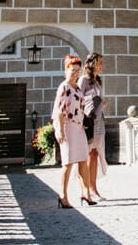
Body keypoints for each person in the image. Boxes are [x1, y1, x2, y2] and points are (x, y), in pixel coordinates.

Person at [52, 53, 96, 208]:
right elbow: (59, 111)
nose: (76, 73)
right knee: (68, 162)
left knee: (83, 160)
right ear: (66, 70)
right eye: (73, 70)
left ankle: (86, 194)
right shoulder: (64, 87)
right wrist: (61, 131)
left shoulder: (77, 87)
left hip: (78, 127)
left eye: (78, 70)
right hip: (68, 126)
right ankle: (63, 196)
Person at [79, 52, 108, 201]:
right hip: (87, 121)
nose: (102, 65)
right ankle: (86, 190)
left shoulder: (98, 81)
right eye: (100, 62)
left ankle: (94, 188)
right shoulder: (84, 80)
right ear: (92, 64)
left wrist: (101, 102)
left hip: (98, 121)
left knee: (95, 153)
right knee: (86, 155)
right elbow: (78, 99)